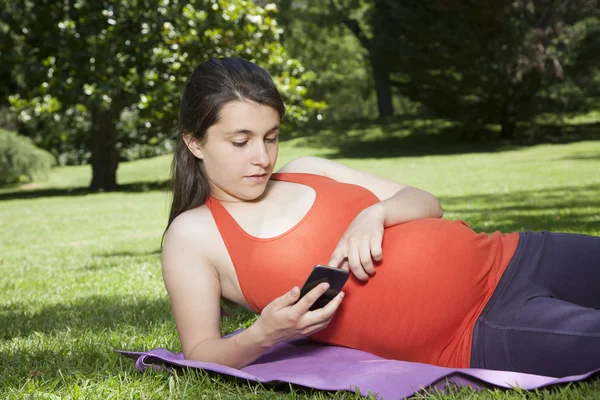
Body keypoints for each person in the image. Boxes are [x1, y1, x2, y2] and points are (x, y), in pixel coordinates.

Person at [161, 57, 600, 379]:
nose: (261, 157)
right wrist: (264, 334)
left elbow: (427, 201)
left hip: (515, 253)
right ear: (195, 142)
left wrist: (377, 213)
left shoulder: (308, 167)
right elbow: (200, 352)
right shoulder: (194, 234)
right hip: (475, 327)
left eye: (270, 137)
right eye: (240, 141)